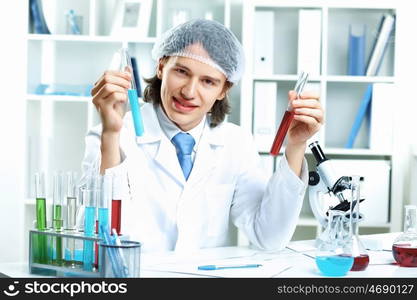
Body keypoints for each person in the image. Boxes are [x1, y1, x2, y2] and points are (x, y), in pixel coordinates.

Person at [84, 19, 324, 252]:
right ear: (160, 66)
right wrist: (110, 135)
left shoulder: (235, 143)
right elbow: (95, 236)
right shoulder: (111, 136)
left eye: (208, 81)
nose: (189, 92)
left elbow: (269, 237)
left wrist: (296, 146)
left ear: (224, 89)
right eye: (181, 71)